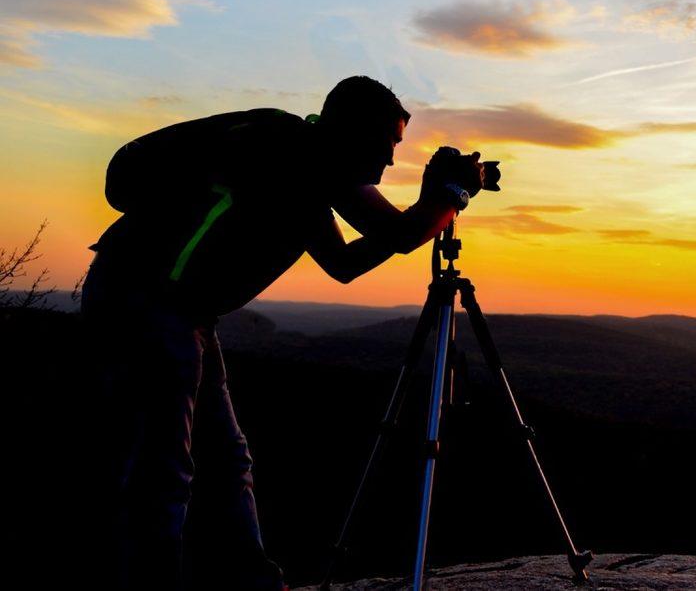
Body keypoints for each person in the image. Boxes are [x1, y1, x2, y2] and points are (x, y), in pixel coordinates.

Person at [81, 76, 489, 590]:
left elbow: (343, 263)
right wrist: (451, 194)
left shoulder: (301, 170)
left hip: (181, 313)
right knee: (164, 469)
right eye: (388, 143)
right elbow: (397, 234)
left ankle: (252, 581)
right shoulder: (293, 154)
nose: (390, 160)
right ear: (353, 131)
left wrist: (436, 202)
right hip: (148, 306)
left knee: (226, 460)